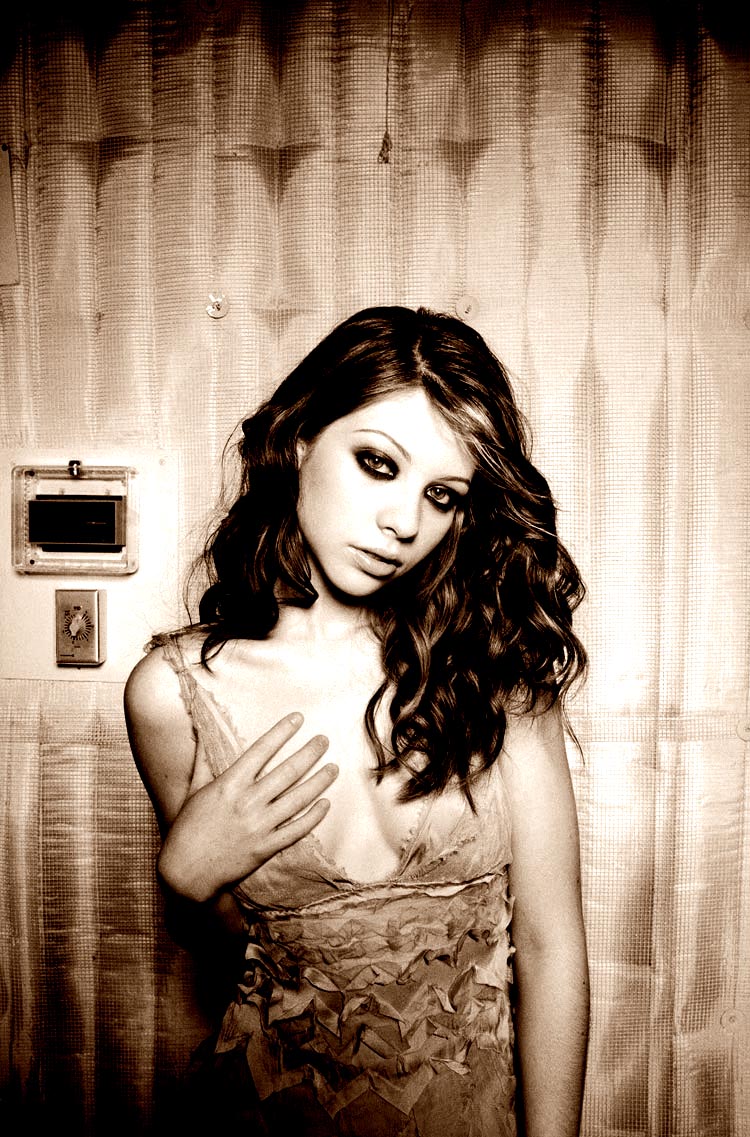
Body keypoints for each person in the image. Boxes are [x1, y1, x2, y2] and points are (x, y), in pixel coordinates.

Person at [124, 305, 589, 1137]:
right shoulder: (173, 692)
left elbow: (552, 948)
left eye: (441, 495)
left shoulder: (495, 672)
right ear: (301, 438)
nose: (404, 523)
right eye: (379, 464)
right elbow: (233, 951)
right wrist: (187, 882)